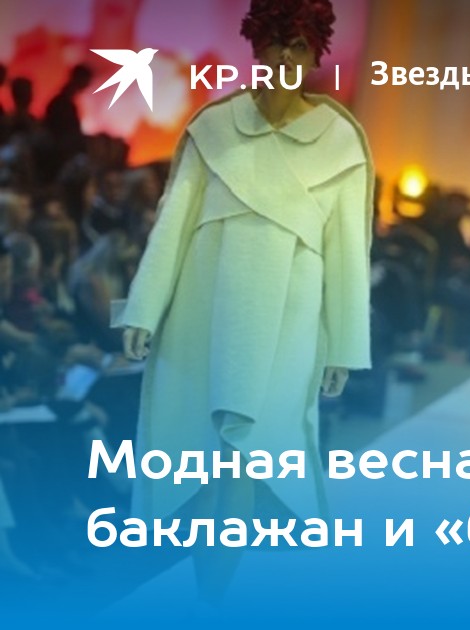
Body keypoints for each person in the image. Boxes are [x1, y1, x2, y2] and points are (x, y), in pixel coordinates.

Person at [113, 0, 373, 605]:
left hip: (288, 319)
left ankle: (213, 601)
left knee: (244, 455)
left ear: (316, 54)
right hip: (206, 309)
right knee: (209, 455)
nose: (285, 58)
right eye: (275, 43)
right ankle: (211, 599)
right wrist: (145, 307)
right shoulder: (213, 128)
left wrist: (343, 343)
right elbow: (174, 222)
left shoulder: (340, 142)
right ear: (255, 47)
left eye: (299, 46)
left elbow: (348, 249)